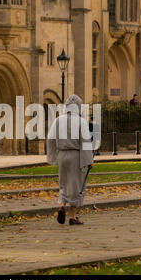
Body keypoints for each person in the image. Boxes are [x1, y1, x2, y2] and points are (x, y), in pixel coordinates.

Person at [47, 95, 94, 226]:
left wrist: (53, 156)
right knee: (77, 186)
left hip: (62, 155)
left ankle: (62, 205)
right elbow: (85, 142)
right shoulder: (81, 121)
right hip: (75, 156)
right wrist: (89, 160)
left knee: (64, 183)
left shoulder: (58, 120)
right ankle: (72, 217)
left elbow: (50, 139)